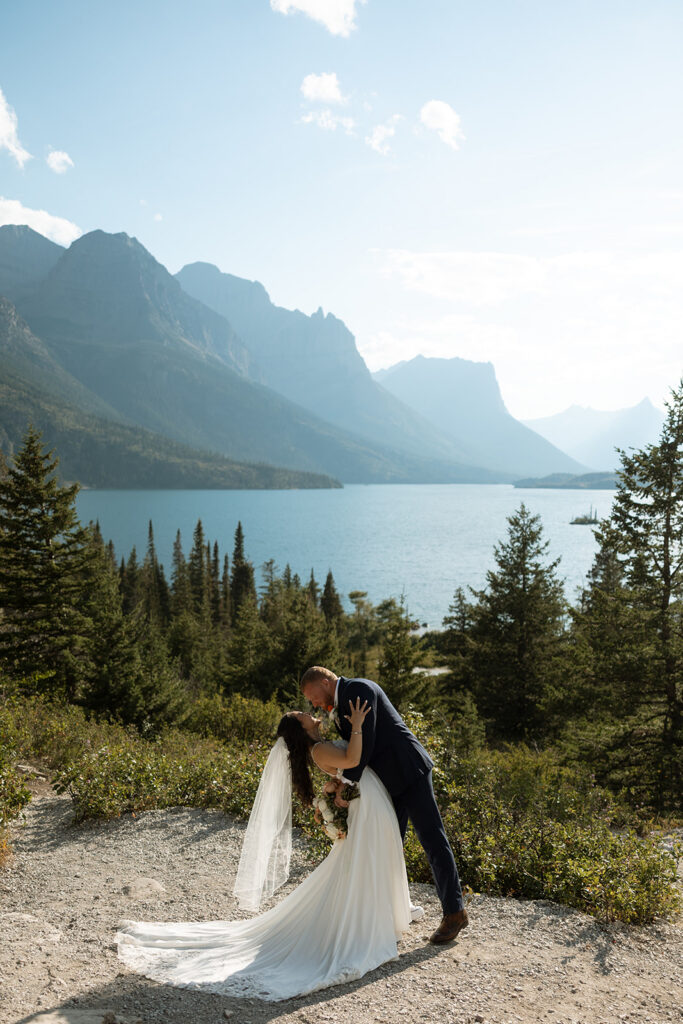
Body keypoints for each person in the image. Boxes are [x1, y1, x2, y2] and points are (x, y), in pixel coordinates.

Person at [116, 698, 416, 1001]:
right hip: (365, 804)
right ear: (300, 728)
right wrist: (360, 726)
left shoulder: (320, 746)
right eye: (303, 715)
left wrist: (334, 786)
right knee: (360, 862)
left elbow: (344, 770)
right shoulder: (319, 749)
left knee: (359, 862)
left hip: (364, 800)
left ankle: (370, 917)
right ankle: (363, 923)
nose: (309, 714)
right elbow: (352, 759)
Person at [300, 666, 468, 944]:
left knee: (432, 839)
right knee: (389, 844)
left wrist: (347, 784)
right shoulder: (341, 702)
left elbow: (367, 744)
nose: (313, 703)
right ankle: (390, 913)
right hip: (387, 783)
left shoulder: (358, 690)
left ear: (325, 682)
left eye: (312, 695)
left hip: (408, 771)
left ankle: (454, 912)